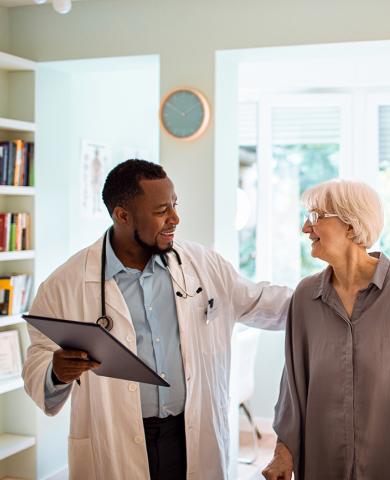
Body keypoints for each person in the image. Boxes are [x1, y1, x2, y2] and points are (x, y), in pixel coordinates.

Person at [23, 159, 291, 480]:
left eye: (175, 205)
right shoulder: (65, 284)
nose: (175, 218)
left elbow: (263, 300)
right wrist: (56, 371)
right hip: (114, 440)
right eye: (162, 210)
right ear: (122, 215)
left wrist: (336, 288)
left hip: (190, 433)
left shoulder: (201, 264)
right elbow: (37, 362)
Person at [262, 179, 390, 480]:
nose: (306, 228)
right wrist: (283, 452)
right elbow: (293, 390)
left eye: (316, 217)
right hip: (326, 463)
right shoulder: (305, 298)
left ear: (350, 225)